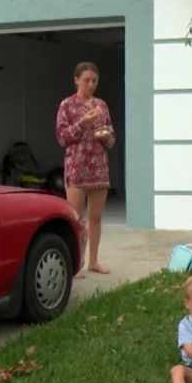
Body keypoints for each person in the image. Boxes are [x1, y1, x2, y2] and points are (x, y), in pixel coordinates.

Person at [55, 62, 116, 279]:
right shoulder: (67, 105)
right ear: (76, 80)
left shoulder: (102, 105)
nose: (91, 84)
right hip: (77, 166)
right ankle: (75, 264)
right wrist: (82, 122)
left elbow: (111, 138)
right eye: (87, 80)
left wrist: (105, 136)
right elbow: (62, 137)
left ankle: (94, 261)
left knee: (96, 217)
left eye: (94, 81)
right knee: (75, 218)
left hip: (98, 166)